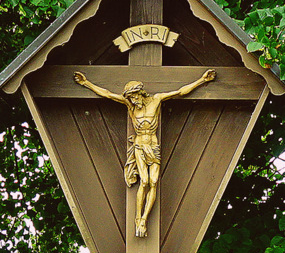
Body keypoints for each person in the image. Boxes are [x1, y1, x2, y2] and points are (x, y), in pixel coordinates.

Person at [74, 68, 216, 237]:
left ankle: (144, 218)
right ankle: (138, 219)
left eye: (134, 97)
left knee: (154, 182)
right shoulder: (130, 105)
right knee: (145, 181)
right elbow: (108, 94)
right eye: (130, 98)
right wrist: (86, 83)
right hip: (140, 146)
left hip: (153, 147)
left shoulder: (156, 100)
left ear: (140, 93)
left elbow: (180, 92)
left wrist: (202, 80)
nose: (133, 101)